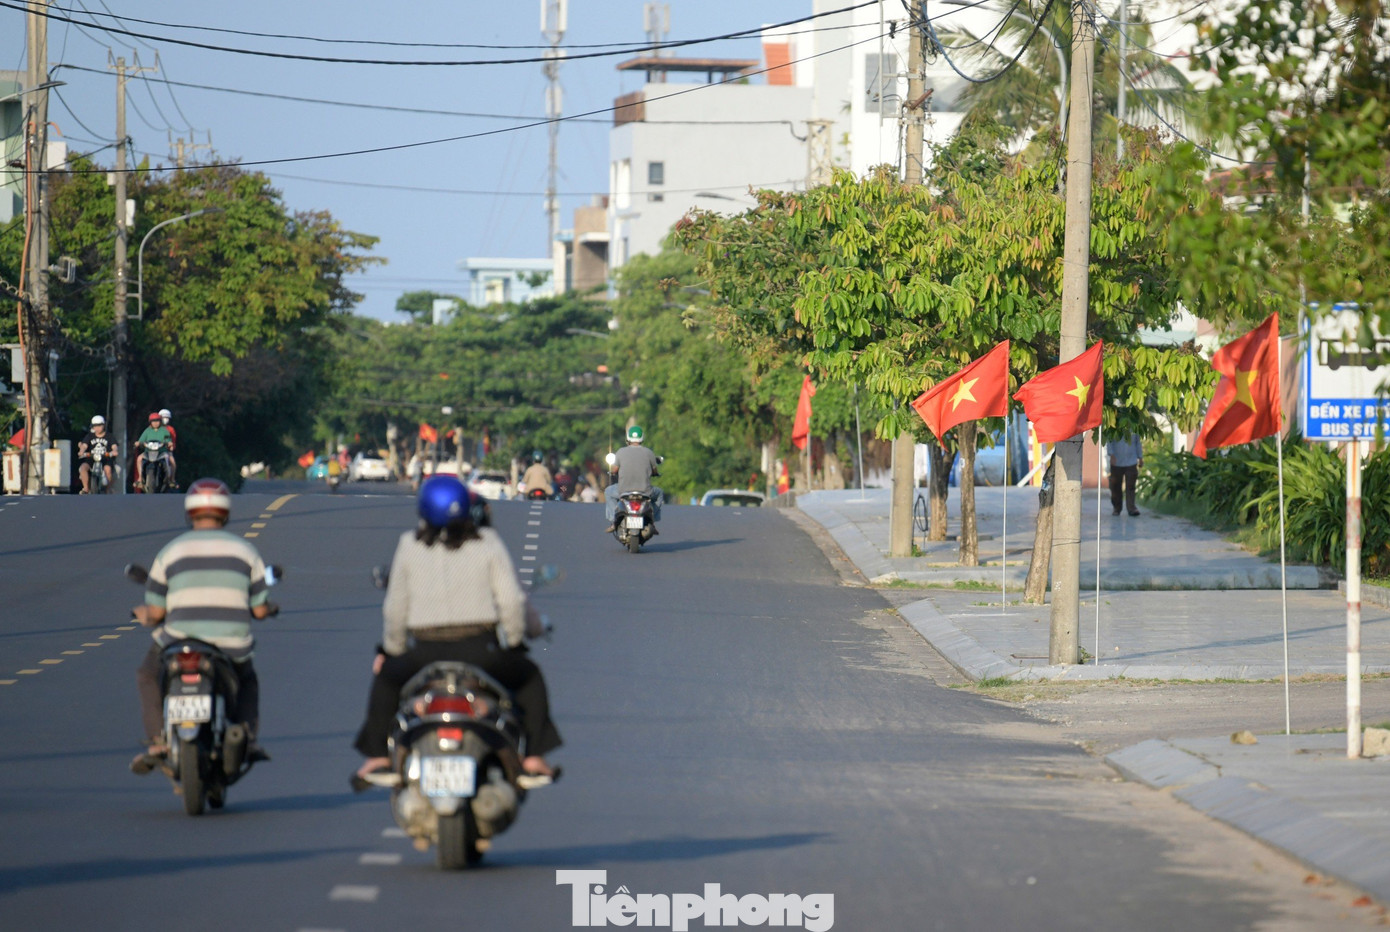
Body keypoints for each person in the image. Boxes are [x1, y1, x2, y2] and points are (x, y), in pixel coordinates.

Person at [352, 476, 561, 788]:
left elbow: (395, 608)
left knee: (386, 681)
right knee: (529, 678)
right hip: (480, 649)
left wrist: (392, 652)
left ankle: (378, 757)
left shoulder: (409, 545)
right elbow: (512, 600)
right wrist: (514, 642)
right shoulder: (487, 543)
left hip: (424, 651)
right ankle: (532, 758)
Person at [130, 479, 277, 774]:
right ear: (225, 514)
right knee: (247, 680)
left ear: (190, 513)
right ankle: (246, 736)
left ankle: (158, 740)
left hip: (178, 642)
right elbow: (260, 609)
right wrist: (269, 609)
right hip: (230, 645)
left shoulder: (170, 552)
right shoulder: (246, 552)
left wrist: (143, 614)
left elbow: (157, 611)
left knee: (147, 674)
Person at [603, 425, 663, 533]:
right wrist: (655, 473)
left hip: (623, 491)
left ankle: (613, 520)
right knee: (659, 493)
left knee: (608, 491)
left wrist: (613, 472)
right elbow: (655, 471)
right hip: (645, 491)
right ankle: (653, 520)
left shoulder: (621, 452)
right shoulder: (649, 452)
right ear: (642, 438)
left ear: (628, 438)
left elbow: (615, 470)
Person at [77, 415, 117, 494]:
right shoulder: (89, 436)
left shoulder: (109, 436)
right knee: (83, 468)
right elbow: (84, 445)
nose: (97, 428)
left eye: (99, 425)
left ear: (103, 425)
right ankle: (86, 488)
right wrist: (81, 451)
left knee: (108, 470)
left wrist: (114, 451)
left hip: (105, 458)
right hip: (91, 458)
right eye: (95, 426)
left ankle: (108, 488)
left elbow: (114, 446)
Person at [1106, 433, 1144, 517]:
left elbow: (1138, 442)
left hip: (1132, 461)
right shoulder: (1114, 426)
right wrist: (1111, 454)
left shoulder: (1134, 426)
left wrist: (1140, 457)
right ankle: (1117, 508)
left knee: (1131, 486)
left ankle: (1131, 508)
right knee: (1115, 487)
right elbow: (1109, 441)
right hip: (1116, 461)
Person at [134, 412, 174, 489]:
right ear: (150, 422)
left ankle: (171, 479)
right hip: (148, 452)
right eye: (153, 421)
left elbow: (168, 439)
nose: (155, 423)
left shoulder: (164, 430)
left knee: (171, 460)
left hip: (162, 452)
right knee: (139, 458)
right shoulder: (147, 431)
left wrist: (169, 443)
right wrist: (138, 443)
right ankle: (140, 478)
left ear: (160, 421)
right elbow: (141, 440)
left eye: (157, 421)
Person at [158, 408, 178, 488]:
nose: (165, 419)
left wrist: (171, 446)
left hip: (166, 451)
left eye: (167, 418)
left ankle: (172, 479)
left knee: (172, 462)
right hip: (153, 450)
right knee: (141, 459)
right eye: (163, 417)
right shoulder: (152, 428)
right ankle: (141, 478)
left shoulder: (171, 429)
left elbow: (173, 441)